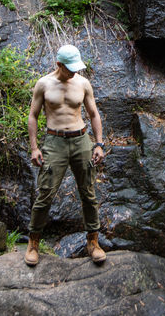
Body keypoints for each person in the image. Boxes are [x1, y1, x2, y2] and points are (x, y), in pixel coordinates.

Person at [25, 43, 106, 267]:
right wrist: (34, 148)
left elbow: (93, 114)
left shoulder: (82, 83)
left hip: (81, 140)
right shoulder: (44, 84)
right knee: (46, 193)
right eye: (69, 67)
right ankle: (33, 243)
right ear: (59, 64)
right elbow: (33, 116)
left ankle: (93, 242)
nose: (74, 71)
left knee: (88, 193)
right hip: (55, 141)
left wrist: (99, 144)